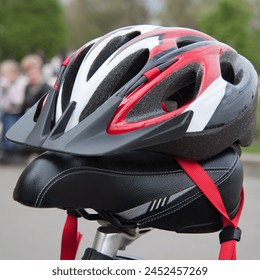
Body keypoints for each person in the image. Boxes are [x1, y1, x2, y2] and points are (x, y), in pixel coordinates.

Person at [0, 59, 26, 163]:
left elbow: (17, 102)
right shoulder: (3, 84)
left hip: (14, 113)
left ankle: (9, 148)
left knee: (8, 124)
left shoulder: (20, 84)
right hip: (4, 111)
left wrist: (8, 89)